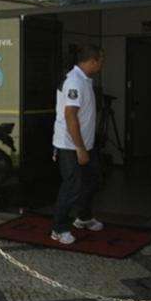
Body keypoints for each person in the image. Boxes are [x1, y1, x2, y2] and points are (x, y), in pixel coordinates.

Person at [50, 44, 104, 244]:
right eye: (101, 60)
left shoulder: (85, 80)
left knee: (93, 181)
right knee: (72, 186)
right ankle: (59, 228)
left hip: (85, 144)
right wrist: (80, 148)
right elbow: (70, 116)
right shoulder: (74, 81)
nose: (101, 64)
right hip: (70, 145)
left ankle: (83, 217)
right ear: (92, 61)